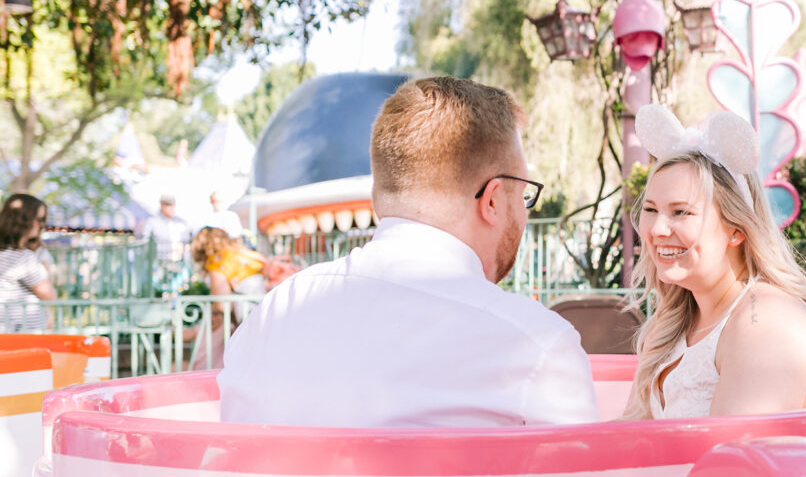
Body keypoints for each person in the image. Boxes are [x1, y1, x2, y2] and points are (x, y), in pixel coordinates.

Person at [218, 76, 599, 427]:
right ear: (494, 200)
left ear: (377, 197)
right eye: (524, 192)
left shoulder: (268, 319)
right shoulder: (537, 347)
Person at [622, 106, 806, 419]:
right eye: (651, 210)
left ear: (736, 230)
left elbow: (733, 460)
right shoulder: (672, 325)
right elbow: (630, 432)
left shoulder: (765, 324)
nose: (657, 229)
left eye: (681, 212)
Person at [186, 227, 268, 369]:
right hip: (265, 307)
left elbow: (222, 304)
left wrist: (213, 311)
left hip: (248, 312)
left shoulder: (218, 261)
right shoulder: (244, 254)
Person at [0, 193, 57, 332]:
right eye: (38, 219)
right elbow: (50, 295)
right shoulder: (22, 258)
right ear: (22, 220)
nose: (41, 225)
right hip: (23, 335)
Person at [137, 193, 190, 261]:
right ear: (162, 205)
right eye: (168, 205)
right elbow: (145, 244)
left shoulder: (180, 221)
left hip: (180, 263)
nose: (171, 208)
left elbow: (187, 240)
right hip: (161, 263)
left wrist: (183, 248)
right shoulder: (152, 222)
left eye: (172, 205)